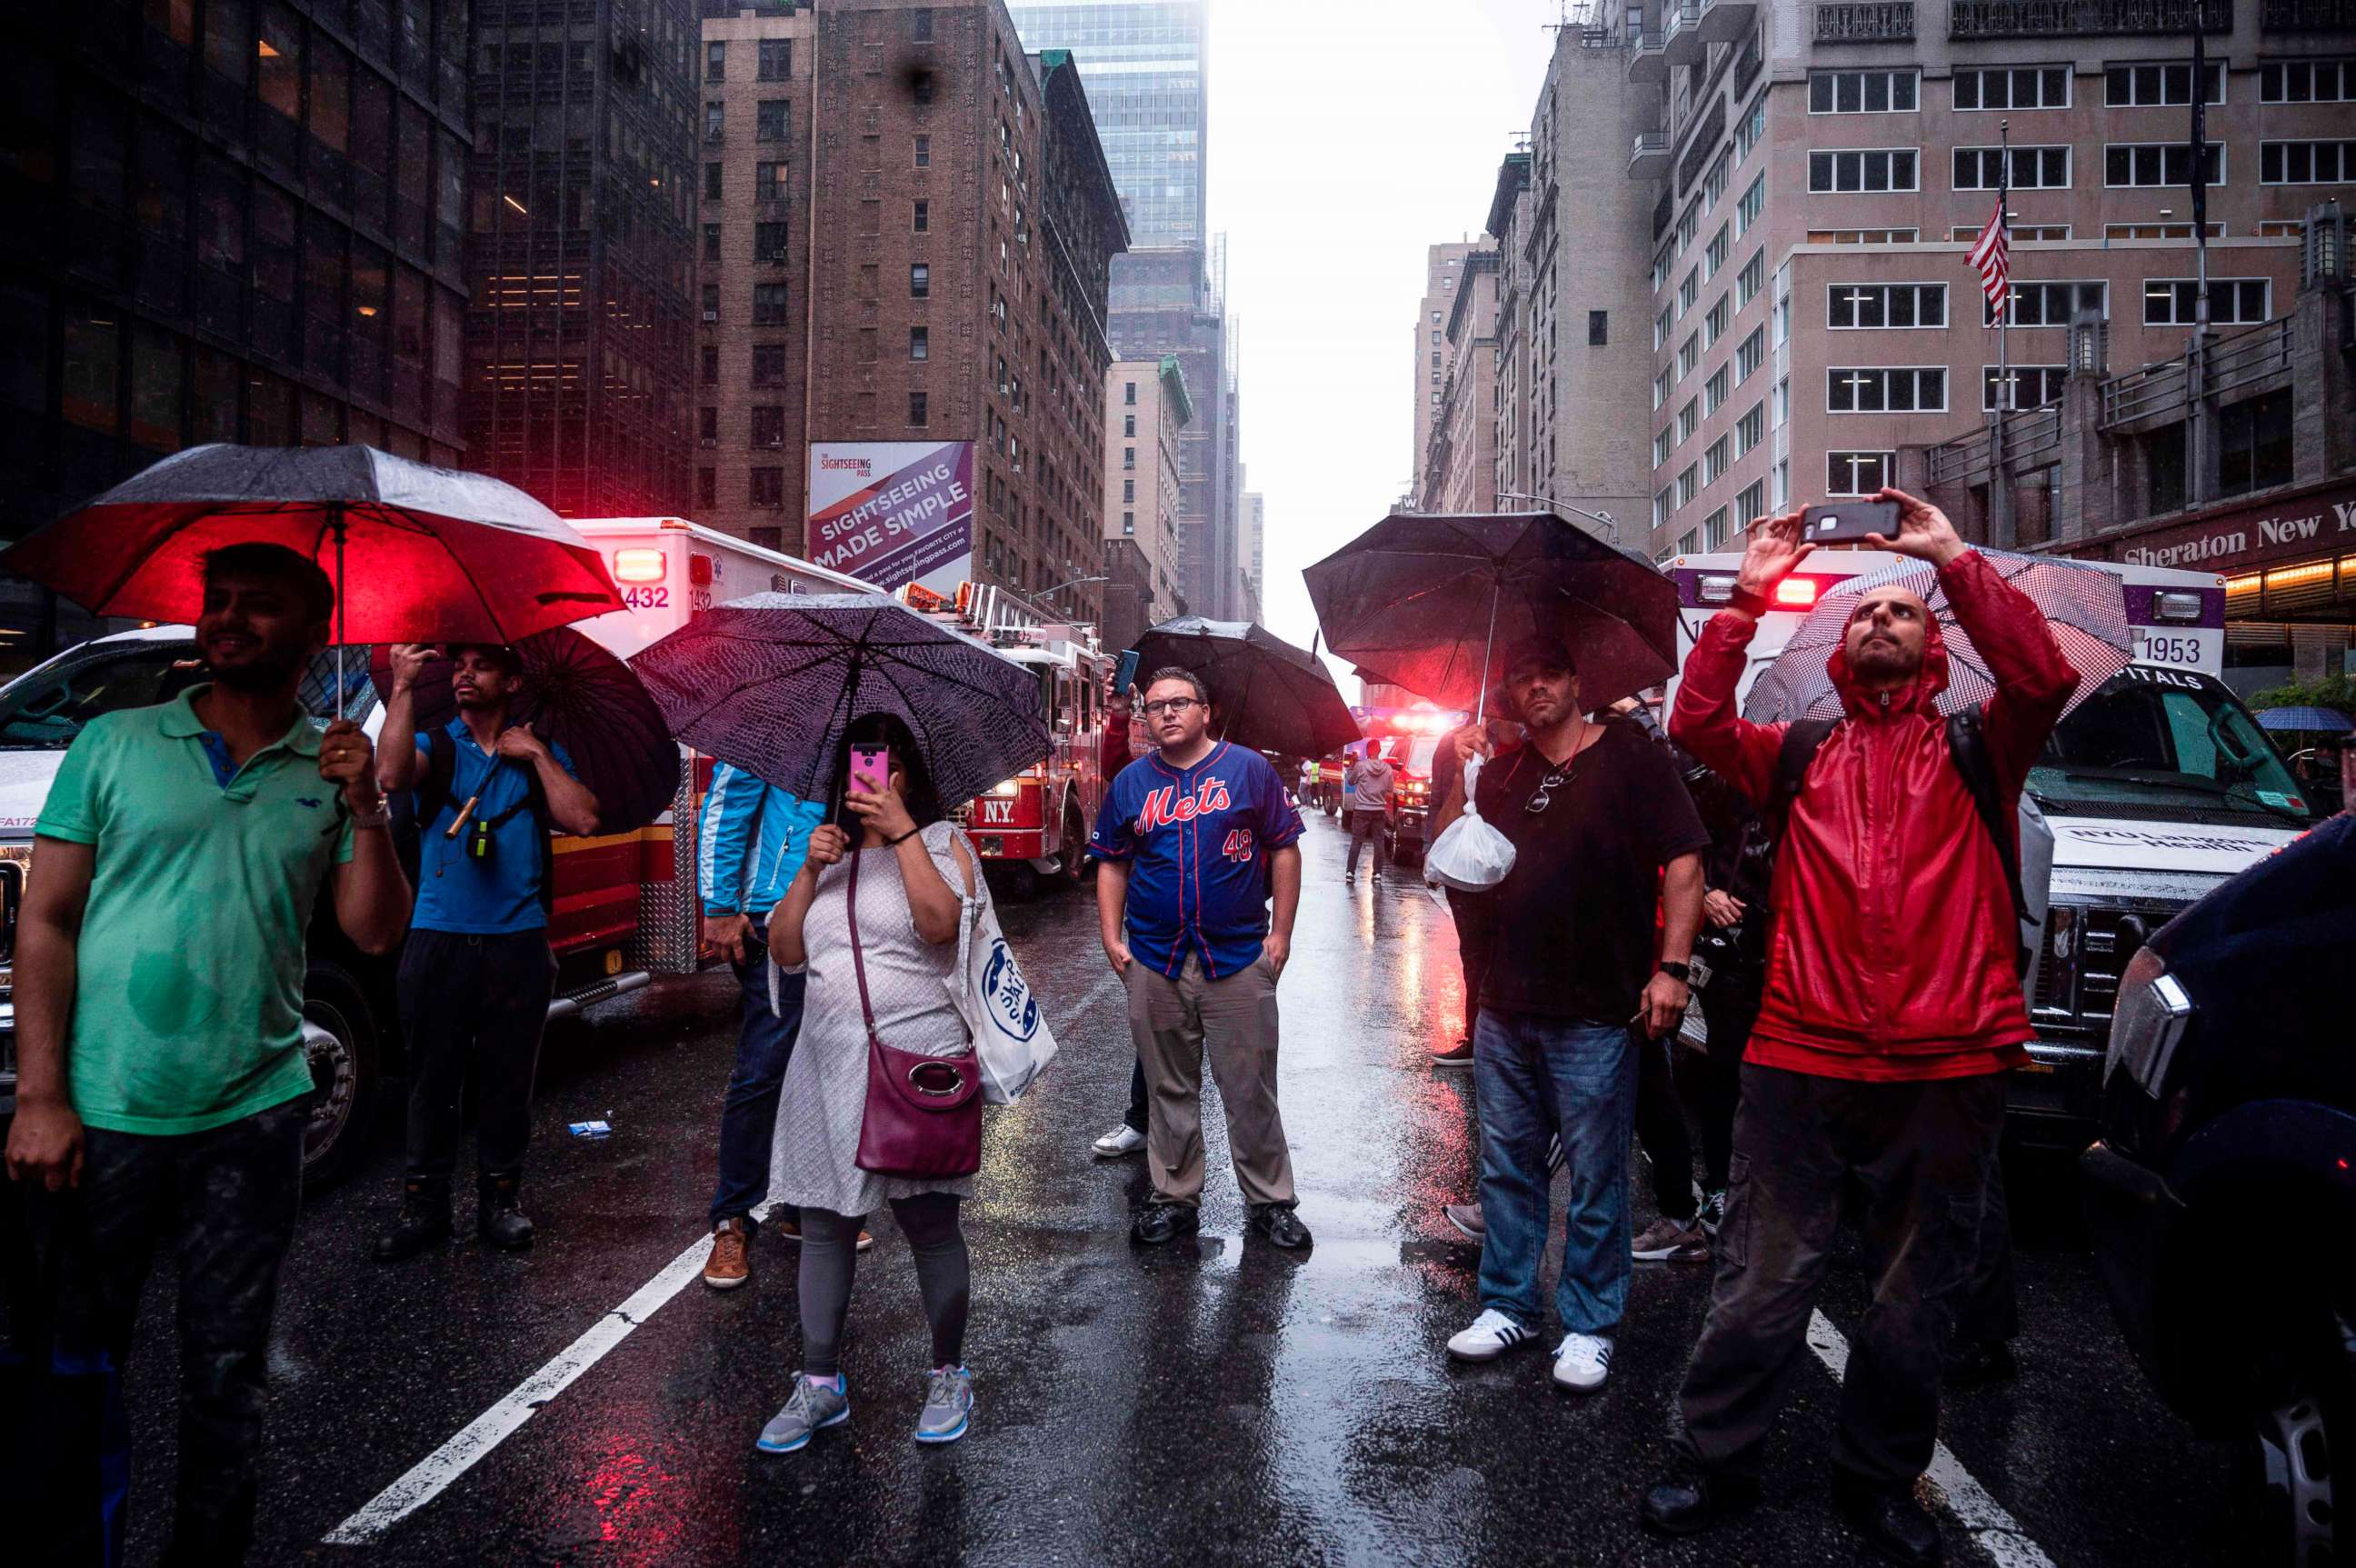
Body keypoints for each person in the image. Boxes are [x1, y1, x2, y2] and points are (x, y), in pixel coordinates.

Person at [1642, 491, 2076, 1567]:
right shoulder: (1796, 753)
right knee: (1759, 1284)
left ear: (1932, 647)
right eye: (1866, 613)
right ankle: (1716, 1461)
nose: (1883, 620)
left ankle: (1879, 1480)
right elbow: (1691, 728)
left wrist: (1954, 565)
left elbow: (2045, 675)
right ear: (1841, 649)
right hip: (1800, 1055)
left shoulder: (1985, 745)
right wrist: (1744, 602)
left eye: (1903, 613)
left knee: (1908, 1304)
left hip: (1947, 1062)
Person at [5, 543, 411, 1564]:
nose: (226, 620)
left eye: (258, 607)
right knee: (74, 1373)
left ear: (313, 633)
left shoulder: (329, 769)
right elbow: (47, 921)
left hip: (253, 1115)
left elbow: (372, 933)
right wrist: (41, 1096)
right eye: (216, 602)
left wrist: (368, 804)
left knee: (225, 1381)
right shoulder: (114, 742)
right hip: (103, 1112)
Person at [1433, 637, 1708, 1393]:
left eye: (1549, 671)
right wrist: (1461, 769)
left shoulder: (1630, 757)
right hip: (1506, 1003)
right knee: (1507, 1165)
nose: (1535, 687)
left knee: (1595, 1176)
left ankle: (1589, 1324)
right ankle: (1510, 1304)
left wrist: (1673, 968)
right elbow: (1450, 855)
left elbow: (1685, 859)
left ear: (1576, 680)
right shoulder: (1505, 769)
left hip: (1595, 1009)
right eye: (1521, 678)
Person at [755, 715, 983, 1453]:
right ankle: (820, 1384)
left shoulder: (945, 843)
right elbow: (786, 950)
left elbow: (941, 925)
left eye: (882, 765)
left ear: (906, 775)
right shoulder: (827, 853)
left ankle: (949, 1372)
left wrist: (904, 831)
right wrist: (808, 870)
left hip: (916, 1064)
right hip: (825, 1064)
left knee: (928, 1223)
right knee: (823, 1222)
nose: (870, 779)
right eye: (857, 766)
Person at [373, 642, 600, 1260]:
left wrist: (539, 754)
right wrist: (401, 687)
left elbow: (582, 818)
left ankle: (501, 1202)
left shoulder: (534, 754)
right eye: (460, 664)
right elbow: (389, 776)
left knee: (507, 1082)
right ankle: (425, 1208)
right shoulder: (436, 743)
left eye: (482, 664)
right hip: (438, 936)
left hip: (517, 942)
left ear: (513, 679)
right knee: (430, 1081)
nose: (465, 673)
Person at [1092, 667, 1310, 1250]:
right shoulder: (1132, 782)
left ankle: (1269, 1204)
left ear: (1206, 712)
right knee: (1168, 1089)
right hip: (1157, 958)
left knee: (1250, 1089)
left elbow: (1284, 848)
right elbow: (1112, 860)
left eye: (1179, 703)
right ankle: (1174, 1200)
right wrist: (1112, 936)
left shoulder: (1249, 771)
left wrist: (1281, 935)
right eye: (1154, 706)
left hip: (1237, 956)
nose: (1165, 713)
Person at [694, 760, 853, 1289]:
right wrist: (719, 906)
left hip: (847, 915)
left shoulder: (872, 729)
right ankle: (732, 1219)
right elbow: (727, 807)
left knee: (833, 1065)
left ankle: (804, 1207)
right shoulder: (777, 721)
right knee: (764, 1069)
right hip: (776, 912)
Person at [1426, 713, 1520, 1071]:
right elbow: (1439, 806)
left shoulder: (1535, 743)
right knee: (1476, 958)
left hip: (1517, 870)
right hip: (1468, 875)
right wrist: (1461, 774)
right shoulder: (1454, 744)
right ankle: (1476, 1037)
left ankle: (1512, 1046)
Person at [1343, 742, 1395, 884]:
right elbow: (1390, 788)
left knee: (1357, 841)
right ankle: (1377, 874)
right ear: (1379, 750)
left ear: (1367, 751)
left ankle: (1350, 872)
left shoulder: (1361, 766)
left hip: (1362, 810)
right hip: (1379, 810)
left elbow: (1351, 781)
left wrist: (1351, 767)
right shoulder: (1387, 768)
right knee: (1379, 842)